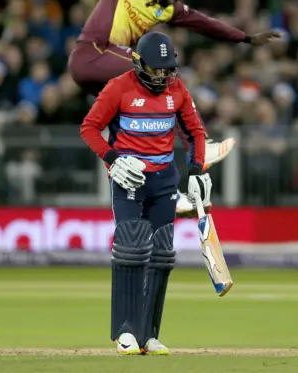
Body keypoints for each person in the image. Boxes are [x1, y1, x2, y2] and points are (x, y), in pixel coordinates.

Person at [70, 0, 282, 215]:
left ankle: (165, 193)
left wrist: (245, 38)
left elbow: (208, 24)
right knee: (161, 74)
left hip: (109, 71)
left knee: (134, 126)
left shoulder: (170, 10)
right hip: (92, 52)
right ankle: (201, 147)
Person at [80, 31, 212, 355]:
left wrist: (196, 171)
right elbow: (89, 127)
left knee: (162, 254)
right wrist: (112, 159)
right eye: (156, 70)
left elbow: (195, 131)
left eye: (168, 70)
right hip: (129, 178)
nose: (163, 76)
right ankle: (124, 331)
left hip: (164, 180)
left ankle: (148, 334)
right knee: (131, 248)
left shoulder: (176, 90)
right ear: (139, 64)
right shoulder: (118, 88)